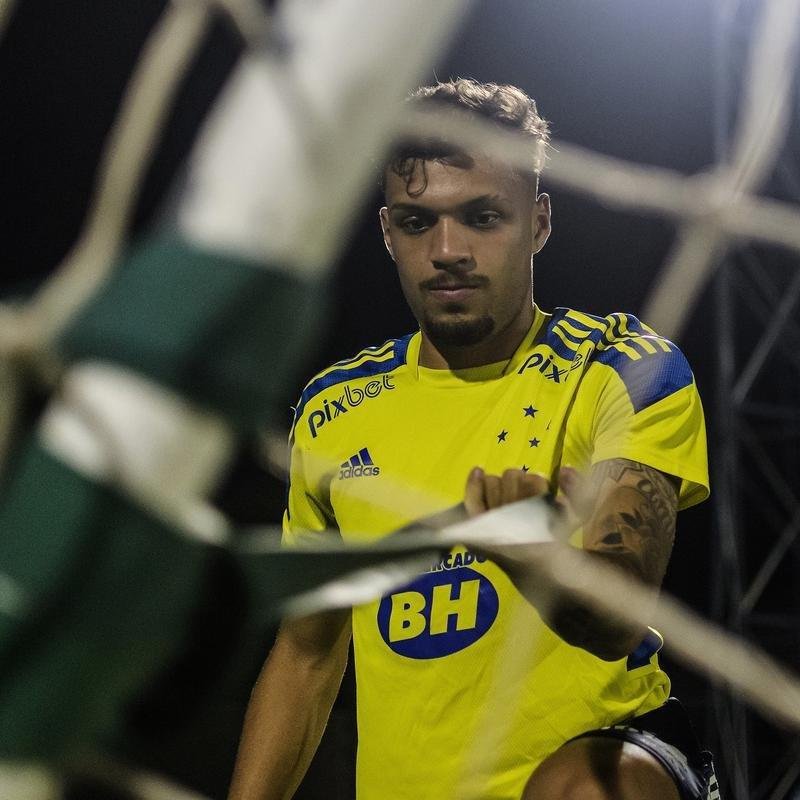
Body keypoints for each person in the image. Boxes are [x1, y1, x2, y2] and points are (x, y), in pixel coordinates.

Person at [227, 79, 719, 800]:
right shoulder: (334, 411)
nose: (449, 249)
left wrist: (541, 562)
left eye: (483, 216)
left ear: (540, 223)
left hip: (609, 759)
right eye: (419, 223)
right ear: (388, 232)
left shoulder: (623, 368)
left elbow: (620, 615)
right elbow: (306, 655)